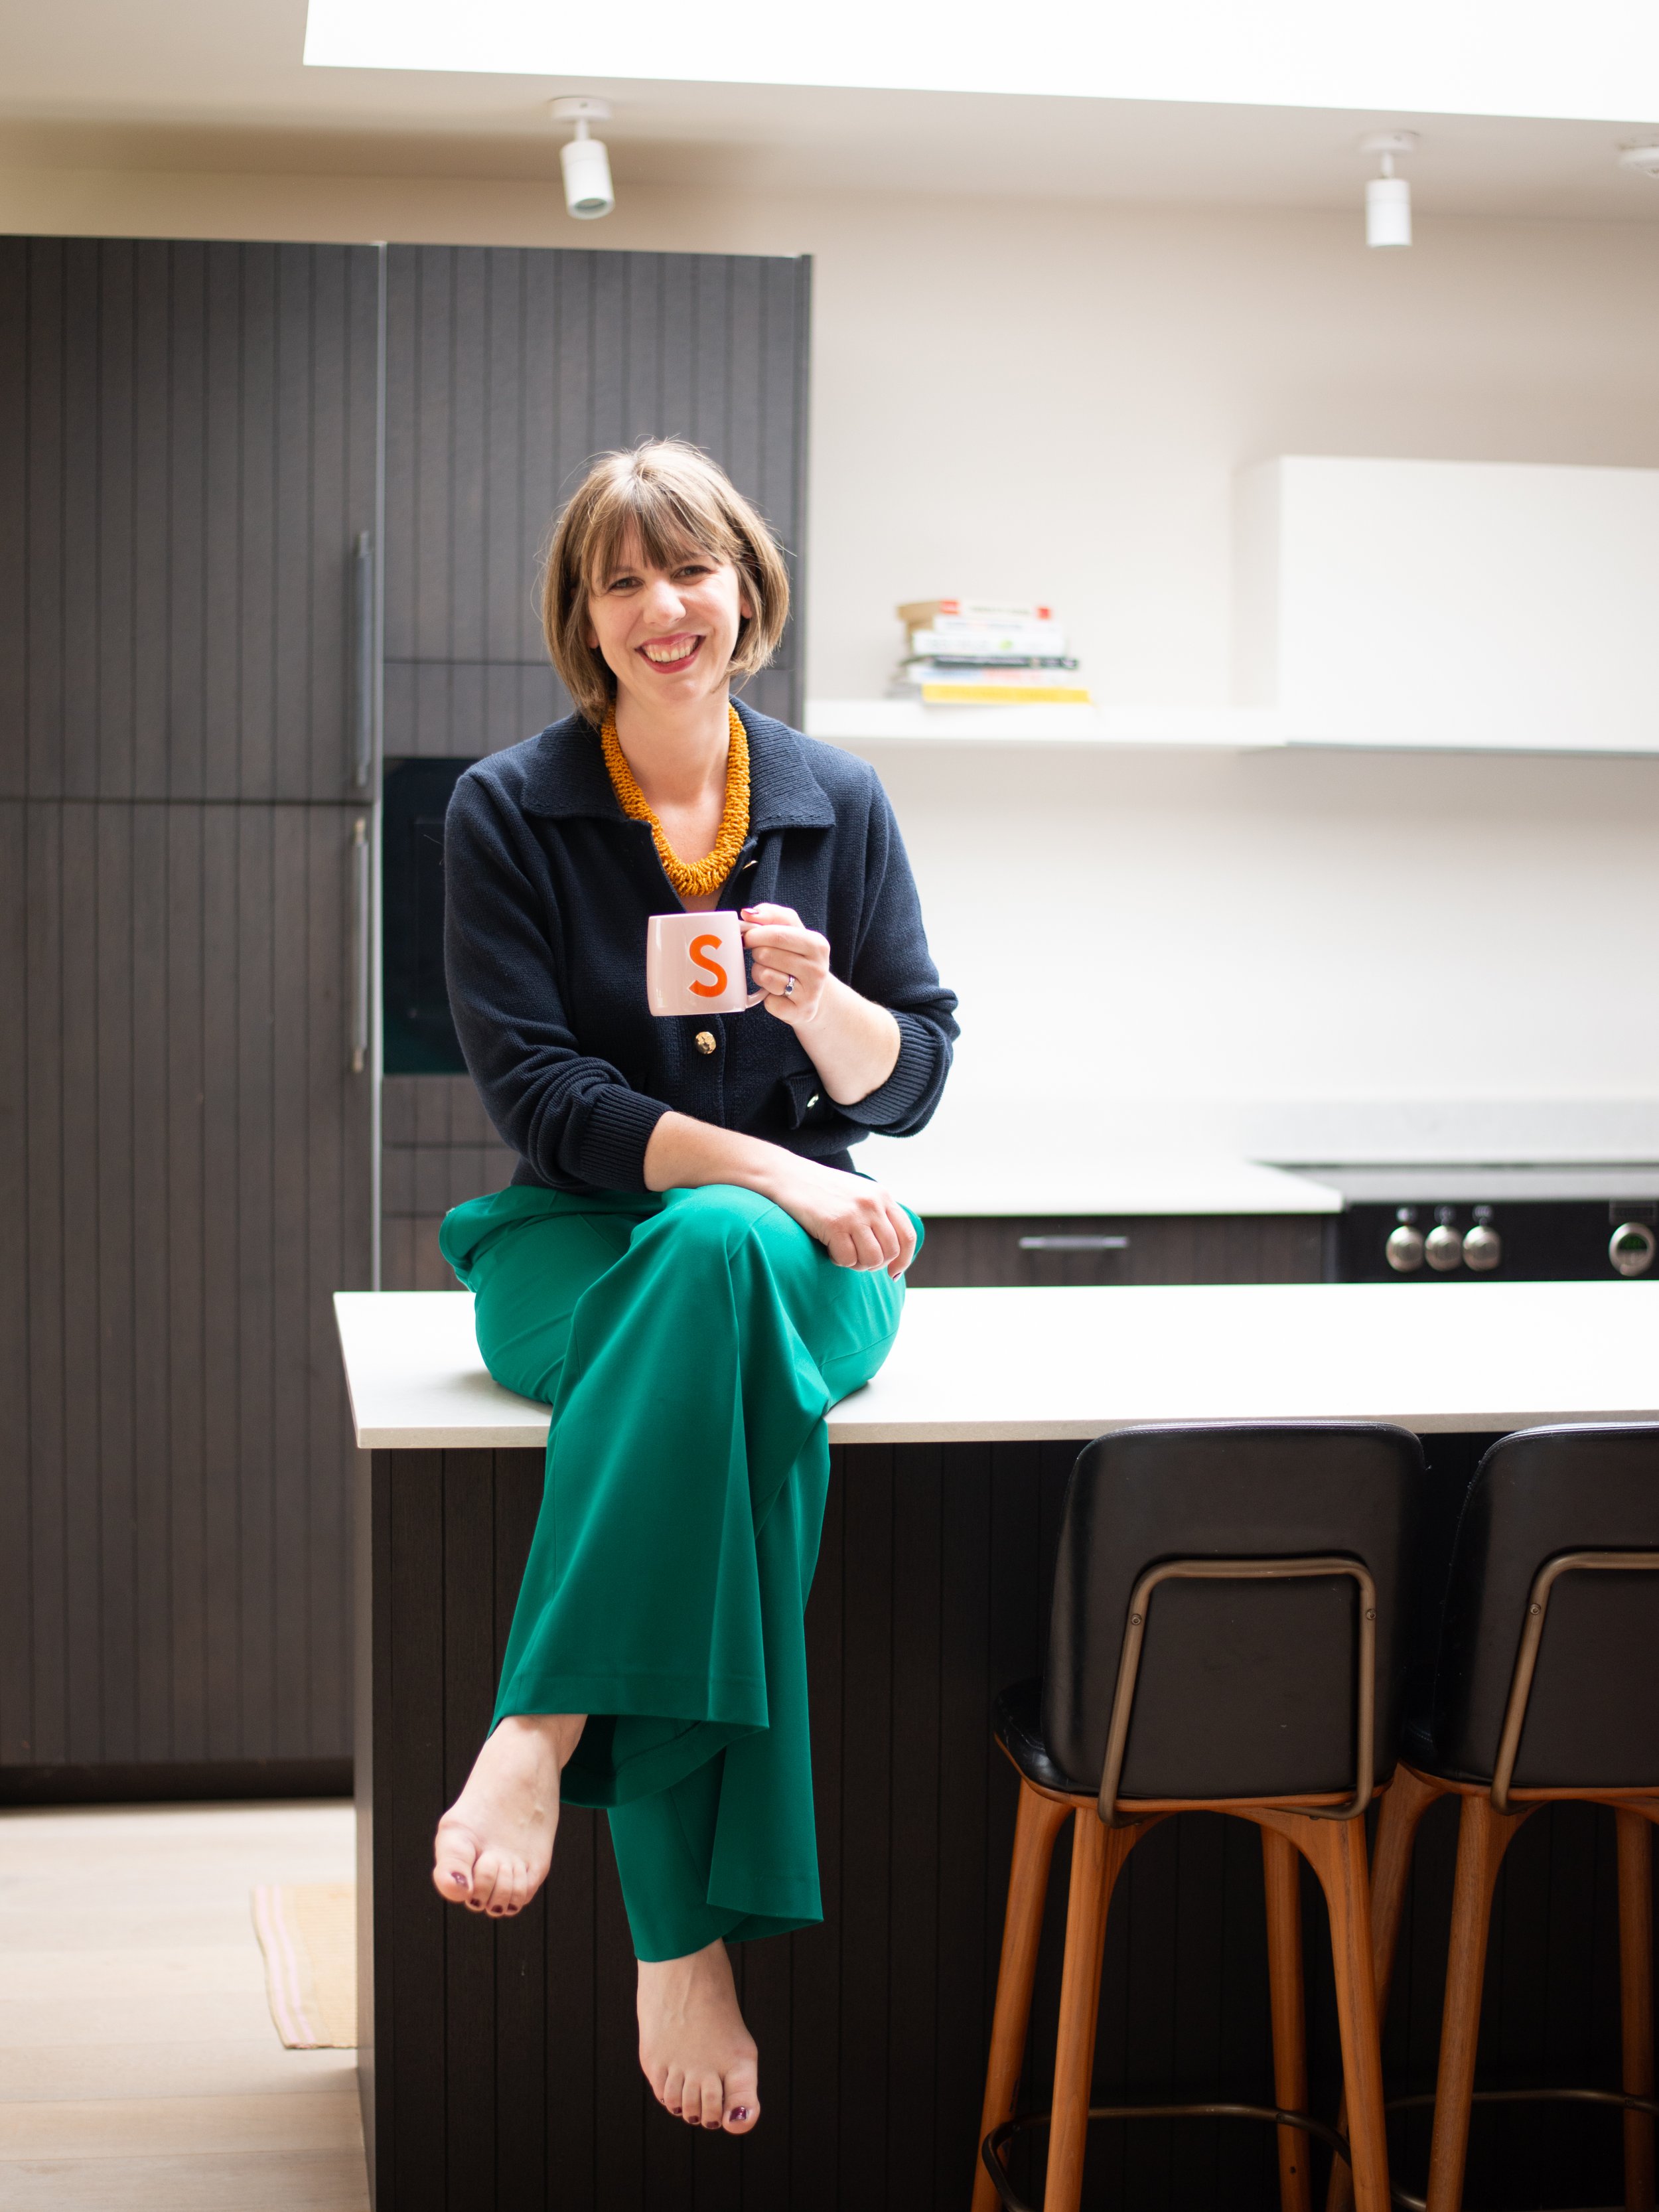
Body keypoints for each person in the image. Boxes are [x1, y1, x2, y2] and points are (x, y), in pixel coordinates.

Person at [430, 439, 959, 2136]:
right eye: (623, 579)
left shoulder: (837, 801)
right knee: (717, 1298)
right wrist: (779, 1169)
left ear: (748, 587)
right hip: (579, 1247)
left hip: (815, 1253)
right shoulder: (509, 808)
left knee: (727, 1264)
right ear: (585, 618)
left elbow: (911, 1077)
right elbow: (546, 1106)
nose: (666, 608)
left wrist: (816, 1014)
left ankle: (543, 1727)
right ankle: (678, 1931)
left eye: (692, 570)